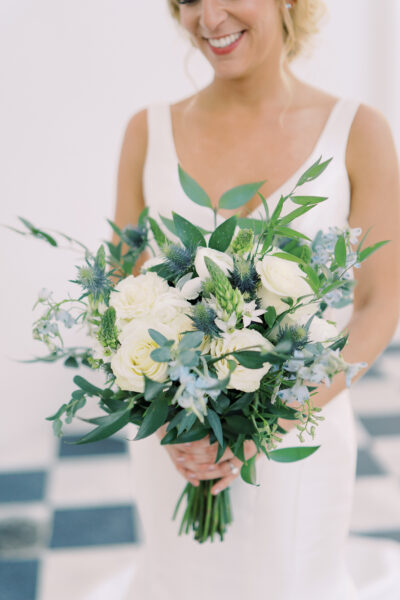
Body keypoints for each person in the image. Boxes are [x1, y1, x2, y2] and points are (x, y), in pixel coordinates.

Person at [90, 1, 400, 598]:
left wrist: (273, 421)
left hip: (299, 442)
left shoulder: (359, 131)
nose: (208, 17)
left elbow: (380, 304)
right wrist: (165, 419)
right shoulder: (145, 130)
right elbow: (118, 293)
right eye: (188, 0)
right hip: (177, 448)